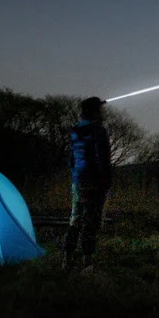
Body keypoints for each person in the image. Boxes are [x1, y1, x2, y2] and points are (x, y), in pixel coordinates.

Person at [62, 96, 112, 272]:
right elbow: (102, 159)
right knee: (91, 221)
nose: (102, 112)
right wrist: (105, 181)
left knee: (75, 219)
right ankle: (87, 263)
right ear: (93, 111)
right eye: (99, 109)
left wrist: (77, 176)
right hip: (95, 182)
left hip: (78, 181)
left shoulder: (75, 131)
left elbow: (71, 160)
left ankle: (67, 260)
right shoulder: (99, 131)